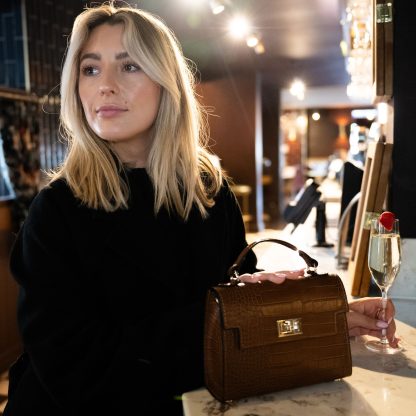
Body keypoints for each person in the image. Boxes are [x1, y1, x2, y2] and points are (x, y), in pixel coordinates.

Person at [3, 3, 398, 415]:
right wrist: (217, 321)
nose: (105, 85)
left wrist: (328, 319)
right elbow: (77, 372)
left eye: (130, 66)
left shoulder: (207, 191)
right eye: (90, 69)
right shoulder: (58, 211)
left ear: (166, 82)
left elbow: (239, 307)